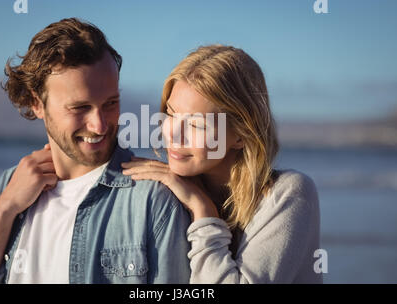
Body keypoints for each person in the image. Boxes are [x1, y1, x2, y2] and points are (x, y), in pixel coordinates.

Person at [0, 18, 191, 284]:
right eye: (79, 108)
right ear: (36, 103)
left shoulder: (152, 200)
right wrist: (5, 209)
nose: (99, 125)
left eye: (111, 103)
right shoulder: (7, 188)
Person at [122, 45, 322, 283]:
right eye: (171, 114)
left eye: (196, 125)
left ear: (241, 134)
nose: (173, 133)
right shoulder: (170, 192)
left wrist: (204, 210)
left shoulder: (289, 194)